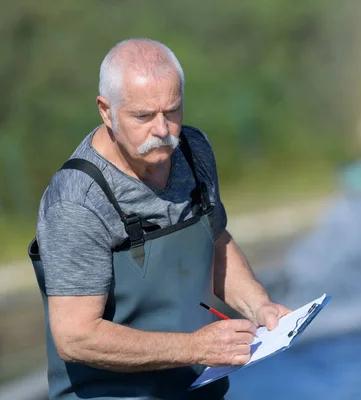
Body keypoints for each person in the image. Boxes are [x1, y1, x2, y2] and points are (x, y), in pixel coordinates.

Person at [28, 38, 291, 400]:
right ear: (106, 111)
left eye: (172, 111)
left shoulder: (194, 151)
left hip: (200, 389)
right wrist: (194, 349)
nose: (162, 130)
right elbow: (76, 337)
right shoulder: (75, 202)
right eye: (143, 116)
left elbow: (215, 241)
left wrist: (260, 306)